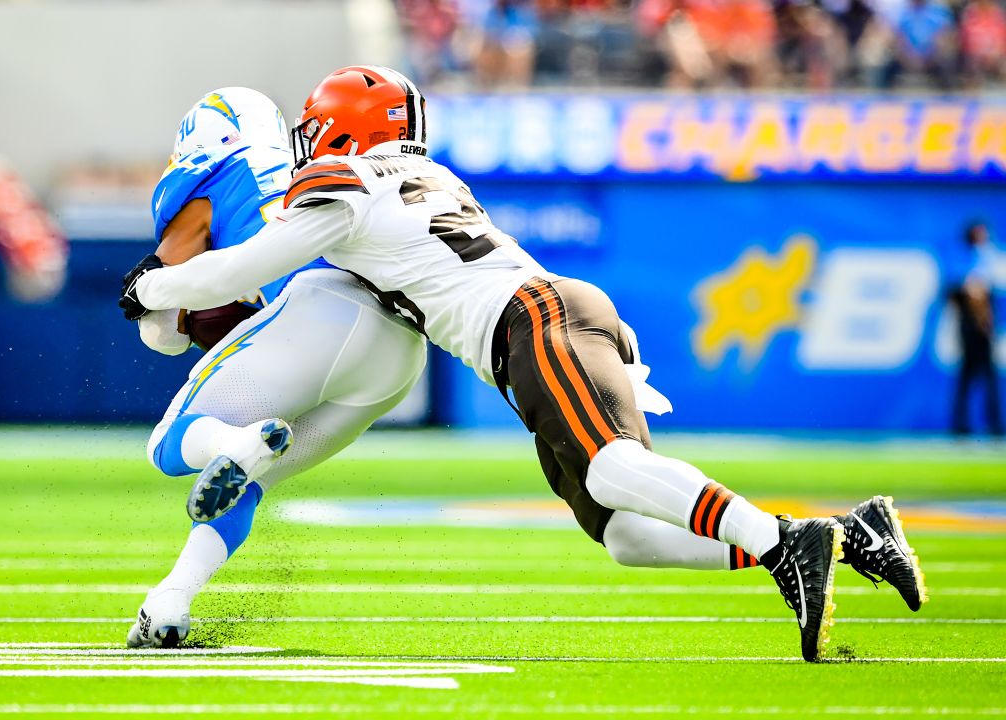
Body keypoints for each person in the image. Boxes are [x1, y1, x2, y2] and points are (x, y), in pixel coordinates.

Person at [121, 66, 927, 662]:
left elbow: (234, 272)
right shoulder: (426, 173)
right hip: (548, 319)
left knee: (614, 471)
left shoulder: (347, 180)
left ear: (340, 129)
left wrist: (149, 284)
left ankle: (785, 546)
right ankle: (844, 537)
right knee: (627, 537)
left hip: (531, 322)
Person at [119, 88, 426, 648]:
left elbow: (161, 328)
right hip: (401, 353)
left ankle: (233, 442)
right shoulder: (330, 168)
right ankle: (168, 601)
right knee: (247, 481)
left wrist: (162, 310)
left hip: (320, 310)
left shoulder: (207, 178)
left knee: (170, 444)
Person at [951, 221, 1002, 437]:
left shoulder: (990, 259)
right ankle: (961, 426)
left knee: (989, 379)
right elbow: (956, 292)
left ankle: (995, 426)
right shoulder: (962, 261)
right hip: (968, 330)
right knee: (966, 378)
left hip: (984, 331)